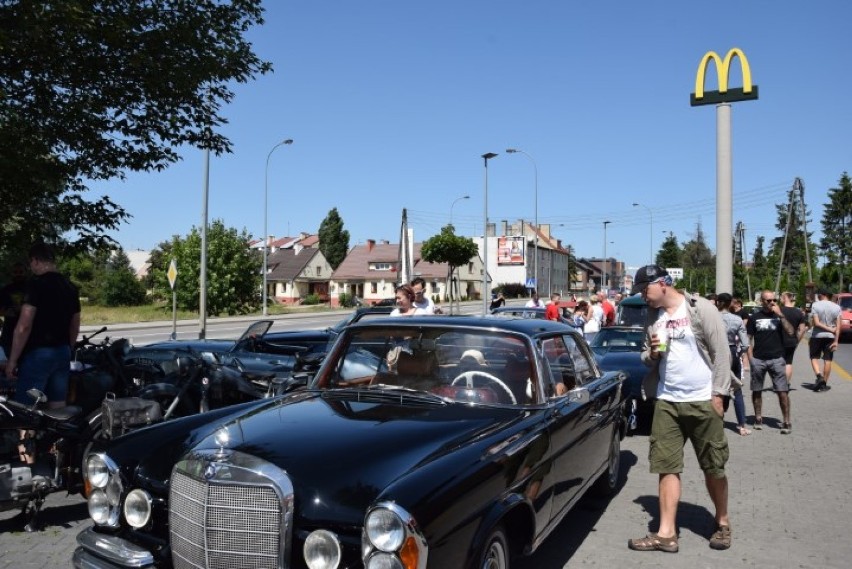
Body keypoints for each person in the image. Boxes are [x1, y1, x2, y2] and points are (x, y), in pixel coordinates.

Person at [627, 265, 732, 553]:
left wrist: (719, 394)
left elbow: (722, 352)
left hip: (702, 399)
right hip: (667, 401)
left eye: (644, 290)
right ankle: (666, 534)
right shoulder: (653, 316)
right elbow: (647, 356)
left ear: (662, 284)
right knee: (666, 466)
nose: (642, 296)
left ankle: (722, 522)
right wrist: (653, 353)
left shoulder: (701, 309)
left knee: (713, 466)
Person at [4, 244, 81, 408]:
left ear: (36, 260)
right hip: (62, 351)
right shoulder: (70, 287)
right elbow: (75, 324)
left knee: (25, 409)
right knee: (58, 406)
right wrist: (69, 348)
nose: (31, 267)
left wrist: (12, 361)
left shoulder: (35, 285)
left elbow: (24, 326)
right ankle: (57, 434)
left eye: (30, 263)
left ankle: (26, 434)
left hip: (38, 354)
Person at [746, 290, 794, 433]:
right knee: (756, 390)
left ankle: (786, 421)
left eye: (774, 300)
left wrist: (781, 315)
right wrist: (750, 359)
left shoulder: (780, 316)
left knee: (782, 391)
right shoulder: (754, 317)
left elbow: (791, 332)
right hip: (758, 359)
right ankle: (758, 418)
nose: (772, 303)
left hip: (777, 359)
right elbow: (748, 339)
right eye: (768, 300)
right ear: (762, 302)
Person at [716, 293, 750, 436]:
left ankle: (717, 421)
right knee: (736, 388)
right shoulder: (737, 319)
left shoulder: (712, 318)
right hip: (732, 351)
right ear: (730, 303)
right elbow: (745, 344)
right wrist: (739, 352)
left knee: (716, 388)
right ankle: (742, 425)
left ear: (718, 302)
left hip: (716, 353)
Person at [809, 288, 841, 392]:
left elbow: (817, 323)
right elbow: (838, 326)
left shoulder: (815, 305)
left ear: (822, 295)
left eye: (818, 294)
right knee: (828, 360)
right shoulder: (837, 307)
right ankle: (824, 384)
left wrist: (829, 329)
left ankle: (819, 376)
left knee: (814, 357)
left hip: (817, 336)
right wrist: (836, 341)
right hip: (830, 337)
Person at [779, 291, 807, 388]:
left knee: (778, 362)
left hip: (780, 340)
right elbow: (802, 329)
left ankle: (779, 383)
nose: (780, 299)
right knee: (789, 362)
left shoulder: (780, 311)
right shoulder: (798, 312)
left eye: (781, 297)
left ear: (785, 297)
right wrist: (797, 340)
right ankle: (786, 384)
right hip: (792, 341)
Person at [0, 262, 28, 360]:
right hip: (9, 333)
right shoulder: (6, 290)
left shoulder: (31, 288)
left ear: (25, 272)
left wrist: (23, 309)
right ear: (12, 273)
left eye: (21, 272)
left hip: (28, 334)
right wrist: (5, 312)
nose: (18, 274)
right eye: (15, 272)